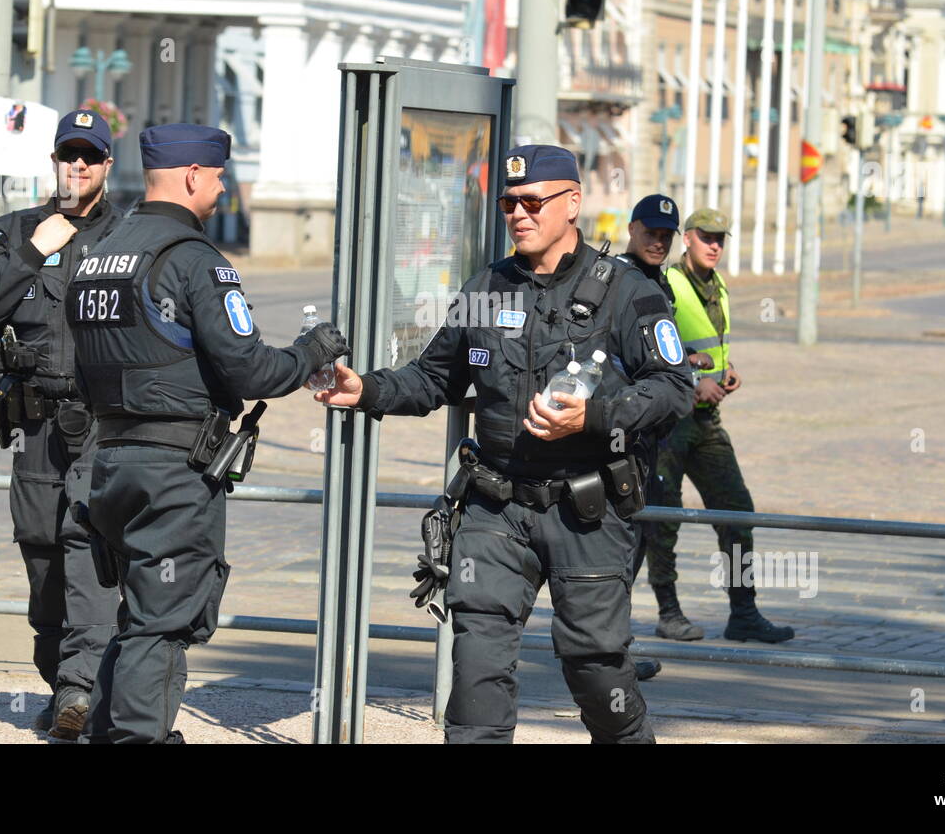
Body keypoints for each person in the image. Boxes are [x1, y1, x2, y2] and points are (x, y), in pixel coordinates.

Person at [317, 144, 693, 744]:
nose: (519, 214)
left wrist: (593, 417)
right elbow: (433, 378)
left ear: (572, 204)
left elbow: (675, 390)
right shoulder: (486, 286)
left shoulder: (626, 292)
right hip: (495, 509)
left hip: (586, 511)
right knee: (476, 669)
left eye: (532, 202)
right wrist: (364, 388)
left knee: (596, 668)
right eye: (508, 204)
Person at [68, 123, 349, 744]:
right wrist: (312, 350)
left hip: (110, 461)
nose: (224, 189)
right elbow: (251, 369)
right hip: (173, 473)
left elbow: (78, 368)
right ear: (194, 176)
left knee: (139, 616)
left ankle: (106, 733)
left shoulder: (98, 256)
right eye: (219, 176)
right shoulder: (194, 260)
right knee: (165, 620)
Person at [0, 109, 123, 738]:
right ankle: (63, 686)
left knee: (89, 551)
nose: (77, 167)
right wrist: (30, 252)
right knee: (43, 558)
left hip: (104, 427)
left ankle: (83, 689)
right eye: (67, 156)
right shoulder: (10, 232)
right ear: (53, 161)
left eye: (91, 157)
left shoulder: (131, 238)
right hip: (35, 430)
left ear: (108, 165)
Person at [649, 207, 794, 643]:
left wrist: (727, 373)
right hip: (669, 424)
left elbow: (712, 347)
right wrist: (695, 384)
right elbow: (655, 350)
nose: (715, 246)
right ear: (687, 239)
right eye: (706, 237)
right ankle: (668, 611)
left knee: (737, 512)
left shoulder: (718, 287)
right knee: (662, 519)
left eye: (721, 239)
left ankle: (744, 612)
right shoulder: (668, 285)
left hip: (707, 422)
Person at [616, 195, 716, 656]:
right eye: (650, 232)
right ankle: (607, 650)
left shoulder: (659, 282)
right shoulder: (616, 277)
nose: (658, 241)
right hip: (622, 430)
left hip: (654, 431)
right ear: (632, 229)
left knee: (646, 531)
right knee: (622, 544)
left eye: (665, 235)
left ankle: (617, 647)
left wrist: (689, 363)